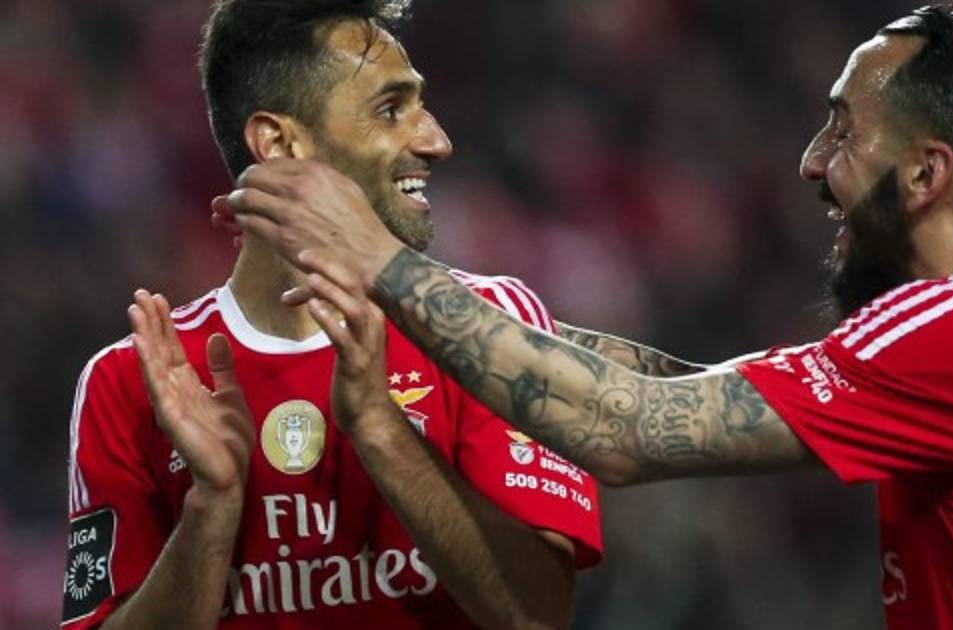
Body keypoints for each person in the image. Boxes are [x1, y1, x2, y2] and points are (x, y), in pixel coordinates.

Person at [223, 5, 953, 629]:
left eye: (844, 128)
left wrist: (376, 257)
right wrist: (423, 303)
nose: (812, 162)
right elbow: (687, 387)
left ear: (925, 175)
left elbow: (627, 430)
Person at [62, 1, 601, 628]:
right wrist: (211, 508)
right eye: (390, 110)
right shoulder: (135, 381)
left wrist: (380, 431)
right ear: (280, 143)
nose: (435, 141)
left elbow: (539, 615)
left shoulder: (489, 323)